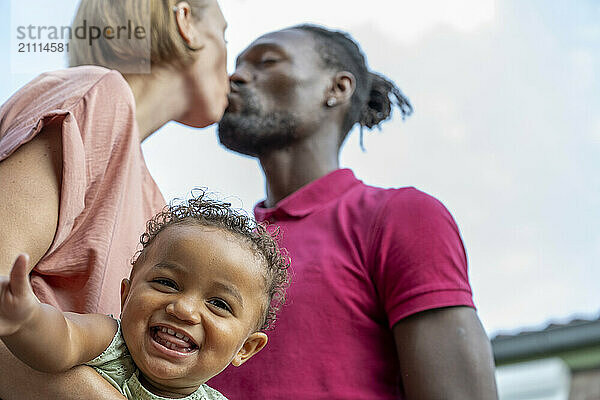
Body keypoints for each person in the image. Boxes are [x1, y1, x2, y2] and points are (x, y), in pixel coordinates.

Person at [209, 24, 499, 399]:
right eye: (237, 65)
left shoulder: (400, 216)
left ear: (337, 88)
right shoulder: (218, 243)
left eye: (266, 61)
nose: (236, 76)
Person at [0, 0, 228, 398]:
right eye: (224, 34)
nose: (234, 68)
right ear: (185, 20)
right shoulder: (97, 95)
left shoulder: (160, 209)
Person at [0, 193, 290, 400]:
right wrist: (27, 319)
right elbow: (61, 339)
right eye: (166, 283)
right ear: (126, 295)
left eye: (218, 304)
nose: (183, 309)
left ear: (246, 348)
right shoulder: (108, 342)